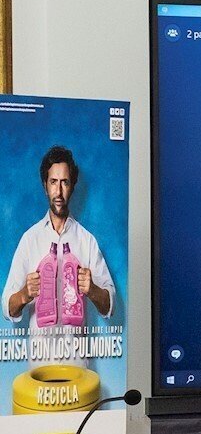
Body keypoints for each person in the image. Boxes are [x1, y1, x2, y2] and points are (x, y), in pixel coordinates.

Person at [4, 145, 117, 364]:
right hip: (40, 367)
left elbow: (109, 307)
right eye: (53, 182)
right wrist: (25, 294)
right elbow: (7, 307)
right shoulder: (30, 239)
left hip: (77, 366)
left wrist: (92, 290)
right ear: (45, 186)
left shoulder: (86, 241)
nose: (59, 191)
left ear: (72, 186)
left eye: (65, 182)